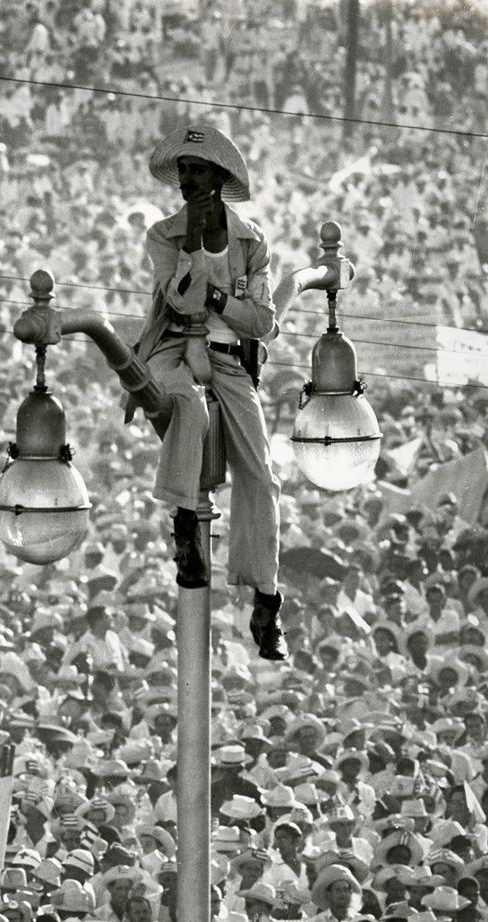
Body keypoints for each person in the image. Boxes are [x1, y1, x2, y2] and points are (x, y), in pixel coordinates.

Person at [134, 122, 286, 660]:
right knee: (190, 413)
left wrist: (221, 298)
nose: (187, 181)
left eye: (198, 171)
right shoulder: (163, 235)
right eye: (183, 172)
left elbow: (263, 321)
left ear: (219, 178)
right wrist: (194, 246)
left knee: (262, 474)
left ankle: (265, 595)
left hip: (230, 361)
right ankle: (184, 529)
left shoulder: (251, 240)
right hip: (173, 350)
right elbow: (180, 304)